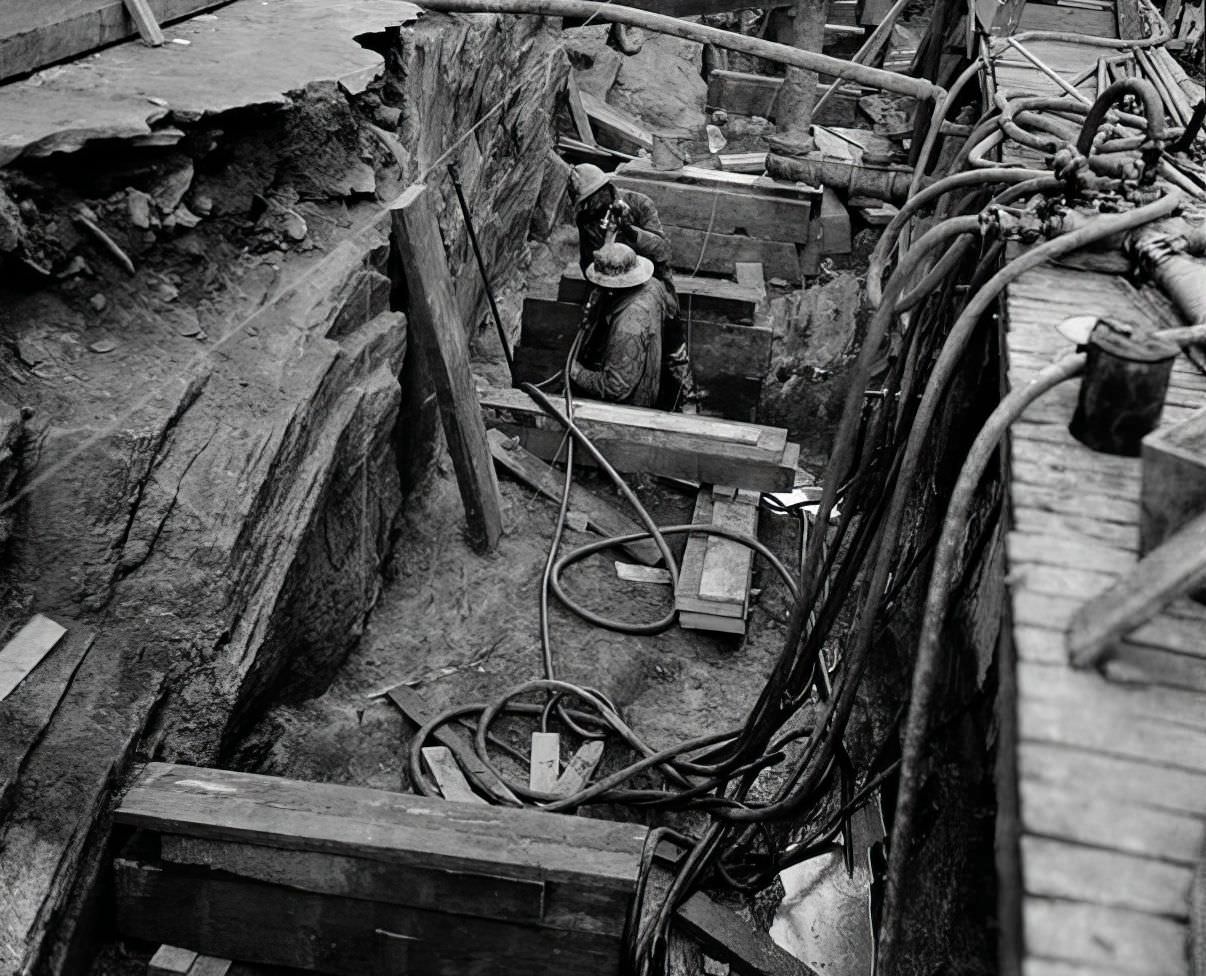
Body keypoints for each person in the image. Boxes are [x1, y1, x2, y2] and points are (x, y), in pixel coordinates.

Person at [569, 242, 677, 409]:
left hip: (632, 407)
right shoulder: (653, 286)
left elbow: (615, 388)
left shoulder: (628, 325)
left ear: (612, 288)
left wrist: (578, 373)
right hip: (649, 382)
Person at [569, 164, 673, 283]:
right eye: (583, 202)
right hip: (610, 281)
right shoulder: (587, 218)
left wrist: (629, 231)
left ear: (604, 190)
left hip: (650, 279)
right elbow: (587, 264)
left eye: (590, 200)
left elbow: (662, 251)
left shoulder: (640, 204)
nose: (588, 207)